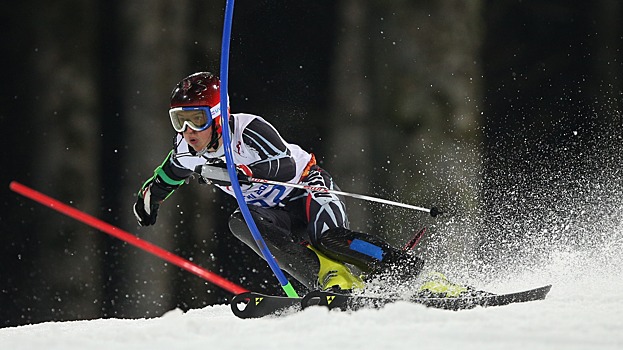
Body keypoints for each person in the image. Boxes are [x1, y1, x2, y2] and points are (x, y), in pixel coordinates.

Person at [133, 72, 424, 293]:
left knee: (328, 238)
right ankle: (331, 282)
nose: (188, 131)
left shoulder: (248, 129)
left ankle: (408, 271)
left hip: (307, 189)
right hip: (274, 214)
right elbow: (169, 175)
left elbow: (285, 166)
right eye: (178, 120)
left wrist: (248, 170)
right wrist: (151, 199)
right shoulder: (187, 150)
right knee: (240, 222)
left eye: (197, 119)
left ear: (219, 115)